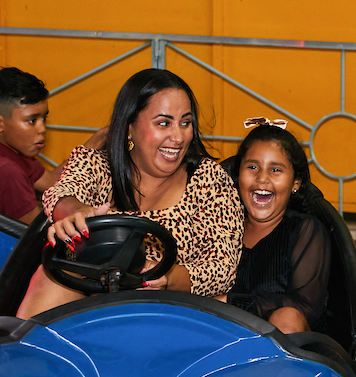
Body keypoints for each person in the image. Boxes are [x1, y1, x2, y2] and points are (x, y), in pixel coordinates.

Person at [16, 69, 243, 319]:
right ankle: (23, 352)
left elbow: (223, 268)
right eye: (164, 123)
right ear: (129, 128)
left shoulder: (209, 180)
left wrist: (167, 278)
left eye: (185, 123)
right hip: (94, 306)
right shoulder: (99, 166)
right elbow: (61, 191)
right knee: (53, 279)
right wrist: (75, 211)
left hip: (170, 313)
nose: (178, 137)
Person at [225, 119, 330, 334]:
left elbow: (306, 306)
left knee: (287, 316)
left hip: (279, 350)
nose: (262, 178)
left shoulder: (305, 230)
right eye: (252, 167)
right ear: (238, 176)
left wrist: (228, 302)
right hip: (219, 339)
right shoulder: (222, 225)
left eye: (276, 170)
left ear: (295, 183)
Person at [0, 67, 63, 223]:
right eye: (32, 121)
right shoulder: (7, 172)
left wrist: (99, 139)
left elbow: (52, 180)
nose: (42, 129)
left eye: (43, 119)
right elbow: (36, 239)